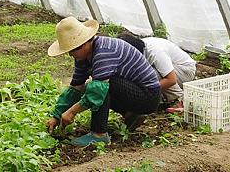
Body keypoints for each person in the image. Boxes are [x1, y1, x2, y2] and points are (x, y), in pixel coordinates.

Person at [46, 17, 161, 146]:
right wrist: (56, 115)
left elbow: (96, 92)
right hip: (133, 92)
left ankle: (98, 134)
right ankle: (131, 114)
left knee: (99, 86)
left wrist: (71, 112)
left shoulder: (104, 51)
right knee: (96, 85)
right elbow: (76, 87)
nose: (70, 55)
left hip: (148, 96)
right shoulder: (83, 57)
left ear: (85, 43)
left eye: (73, 50)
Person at [117, 33, 196, 113]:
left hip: (186, 71)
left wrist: (147, 92)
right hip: (173, 71)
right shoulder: (139, 48)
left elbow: (171, 80)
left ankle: (178, 100)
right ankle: (162, 98)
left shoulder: (154, 51)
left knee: (151, 74)